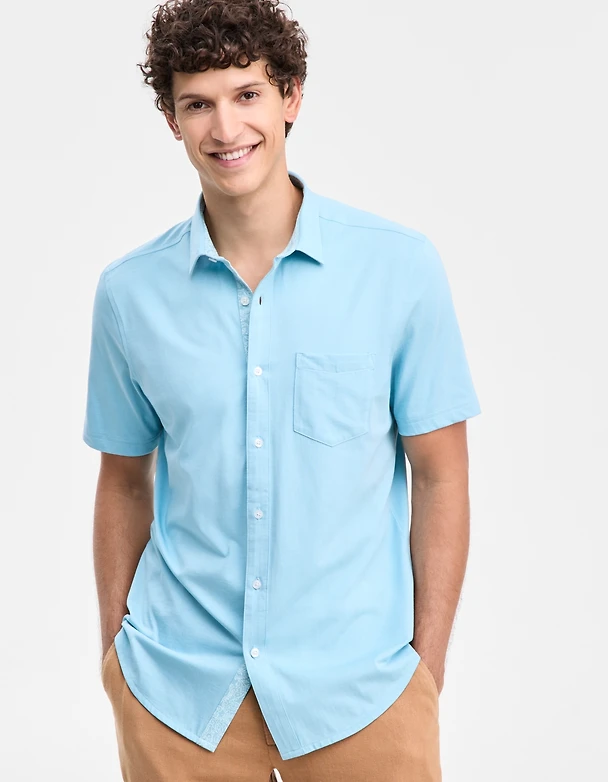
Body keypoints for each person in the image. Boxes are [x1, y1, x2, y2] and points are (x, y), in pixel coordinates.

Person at [83, 1, 482, 780]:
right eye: (198, 104)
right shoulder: (130, 294)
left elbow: (441, 474)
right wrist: (117, 661)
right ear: (171, 120)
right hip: (178, 700)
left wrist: (424, 677)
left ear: (291, 96)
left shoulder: (398, 270)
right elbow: (123, 481)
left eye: (247, 94)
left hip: (363, 698)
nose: (225, 128)